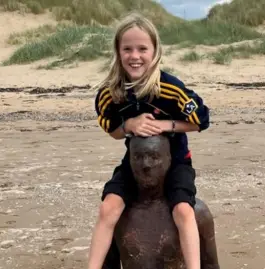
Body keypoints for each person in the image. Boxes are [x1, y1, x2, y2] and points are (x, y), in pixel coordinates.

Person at [87, 12, 210, 269]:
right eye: (127, 49)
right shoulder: (111, 93)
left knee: (184, 211)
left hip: (174, 161)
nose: (135, 56)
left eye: (142, 49)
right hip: (135, 163)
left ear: (155, 51)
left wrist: (168, 125)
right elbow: (111, 129)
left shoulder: (170, 88)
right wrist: (129, 125)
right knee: (108, 209)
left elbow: (202, 120)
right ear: (118, 52)